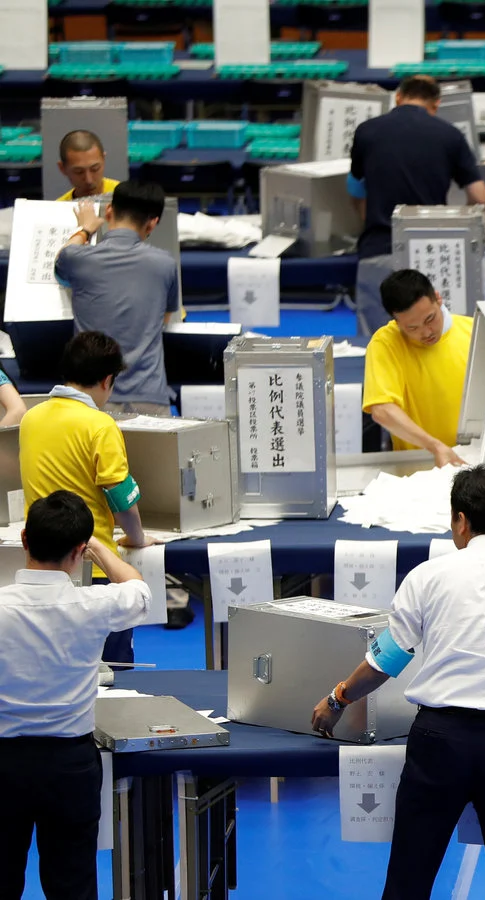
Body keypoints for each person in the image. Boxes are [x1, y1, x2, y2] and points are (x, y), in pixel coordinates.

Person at [311, 466, 485, 900]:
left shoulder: (427, 576)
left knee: (409, 881)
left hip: (439, 741)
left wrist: (338, 699)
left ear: (461, 520)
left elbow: (386, 660)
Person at [0, 491, 151, 900]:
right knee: (73, 885)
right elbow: (139, 590)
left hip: (4, 764)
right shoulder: (94, 604)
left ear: (25, 539)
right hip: (71, 765)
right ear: (80, 551)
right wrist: (99, 548)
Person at [19, 332, 155, 666]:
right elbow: (122, 500)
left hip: (41, 568)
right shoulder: (100, 426)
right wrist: (137, 539)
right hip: (93, 569)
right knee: (111, 675)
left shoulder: (30, 418)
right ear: (108, 380)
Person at [348, 75, 485, 335]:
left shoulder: (366, 131)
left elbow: (356, 191)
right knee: (433, 340)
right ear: (436, 104)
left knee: (377, 341)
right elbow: (480, 197)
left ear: (398, 97)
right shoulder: (450, 135)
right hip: (431, 254)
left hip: (378, 249)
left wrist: (369, 223)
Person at [54, 179, 180, 415]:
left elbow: (62, 257)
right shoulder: (166, 264)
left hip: (92, 399)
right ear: (153, 223)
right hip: (149, 395)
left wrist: (85, 228)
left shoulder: (79, 259)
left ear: (109, 210)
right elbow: (164, 319)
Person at [362, 270, 474, 467]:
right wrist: (434, 446)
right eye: (412, 328)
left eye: (430, 319)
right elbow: (382, 410)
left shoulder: (473, 331)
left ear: (438, 298)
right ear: (397, 322)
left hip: (477, 462)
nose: (426, 332)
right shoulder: (386, 343)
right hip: (419, 468)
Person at [56, 130, 119, 200]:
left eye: (95, 169)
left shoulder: (126, 197)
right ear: (62, 168)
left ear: (103, 159)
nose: (89, 180)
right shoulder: (59, 206)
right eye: (79, 172)